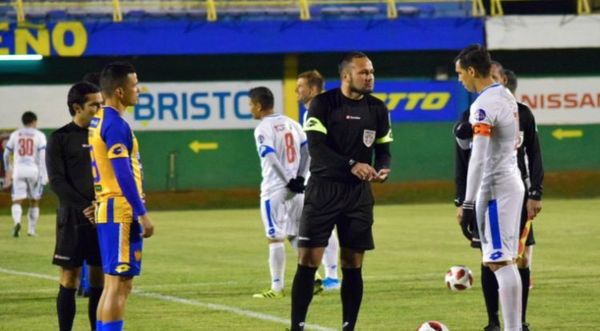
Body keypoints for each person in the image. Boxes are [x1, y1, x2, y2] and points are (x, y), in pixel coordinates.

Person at [290, 51, 392, 331]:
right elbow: (317, 149)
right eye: (363, 72)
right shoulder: (323, 104)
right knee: (309, 260)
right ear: (346, 75)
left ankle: (349, 326)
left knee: (353, 263)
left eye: (371, 71)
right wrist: (351, 164)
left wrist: (382, 168)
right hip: (323, 191)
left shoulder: (378, 109)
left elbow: (384, 150)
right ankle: (296, 326)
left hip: (358, 196)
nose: (369, 77)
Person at [454, 64, 544, 331]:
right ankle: (497, 322)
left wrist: (535, 191)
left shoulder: (509, 109)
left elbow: (530, 154)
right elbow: (464, 159)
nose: (459, 78)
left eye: (460, 73)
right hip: (503, 188)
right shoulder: (486, 110)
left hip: (498, 189)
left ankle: (515, 324)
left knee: (507, 259)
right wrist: (463, 198)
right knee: (496, 258)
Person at [89, 62, 154, 331]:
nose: (138, 89)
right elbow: (123, 173)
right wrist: (142, 213)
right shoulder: (115, 124)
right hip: (121, 210)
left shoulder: (100, 120)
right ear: (119, 91)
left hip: (109, 207)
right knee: (118, 284)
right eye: (134, 85)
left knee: (115, 283)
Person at [47, 81, 104, 331]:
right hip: (72, 218)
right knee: (70, 278)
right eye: (95, 105)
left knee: (99, 281)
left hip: (103, 216)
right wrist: (85, 206)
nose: (100, 109)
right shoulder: (60, 138)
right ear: (77, 107)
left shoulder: (102, 136)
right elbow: (57, 181)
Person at [249, 86, 309, 298]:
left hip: (275, 188)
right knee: (294, 234)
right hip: (297, 191)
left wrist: (288, 180)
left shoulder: (263, 128)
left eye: (250, 105)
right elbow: (307, 151)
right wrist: (301, 178)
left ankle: (276, 288)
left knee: (275, 238)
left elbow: (271, 157)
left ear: (258, 105)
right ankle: (315, 277)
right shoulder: (292, 123)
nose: (250, 110)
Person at [296, 69, 341, 291]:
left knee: (324, 226)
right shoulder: (324, 106)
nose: (297, 91)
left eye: (301, 87)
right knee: (324, 226)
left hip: (327, 176)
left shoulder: (321, 108)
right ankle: (331, 275)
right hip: (321, 175)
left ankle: (332, 276)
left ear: (313, 89)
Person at [3, 111, 48, 237]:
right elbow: (43, 156)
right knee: (34, 200)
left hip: (18, 170)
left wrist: (9, 169)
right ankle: (31, 230)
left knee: (17, 200)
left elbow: (6, 154)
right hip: (34, 170)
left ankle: (17, 222)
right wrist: (44, 175)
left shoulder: (15, 134)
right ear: (34, 121)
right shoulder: (39, 135)